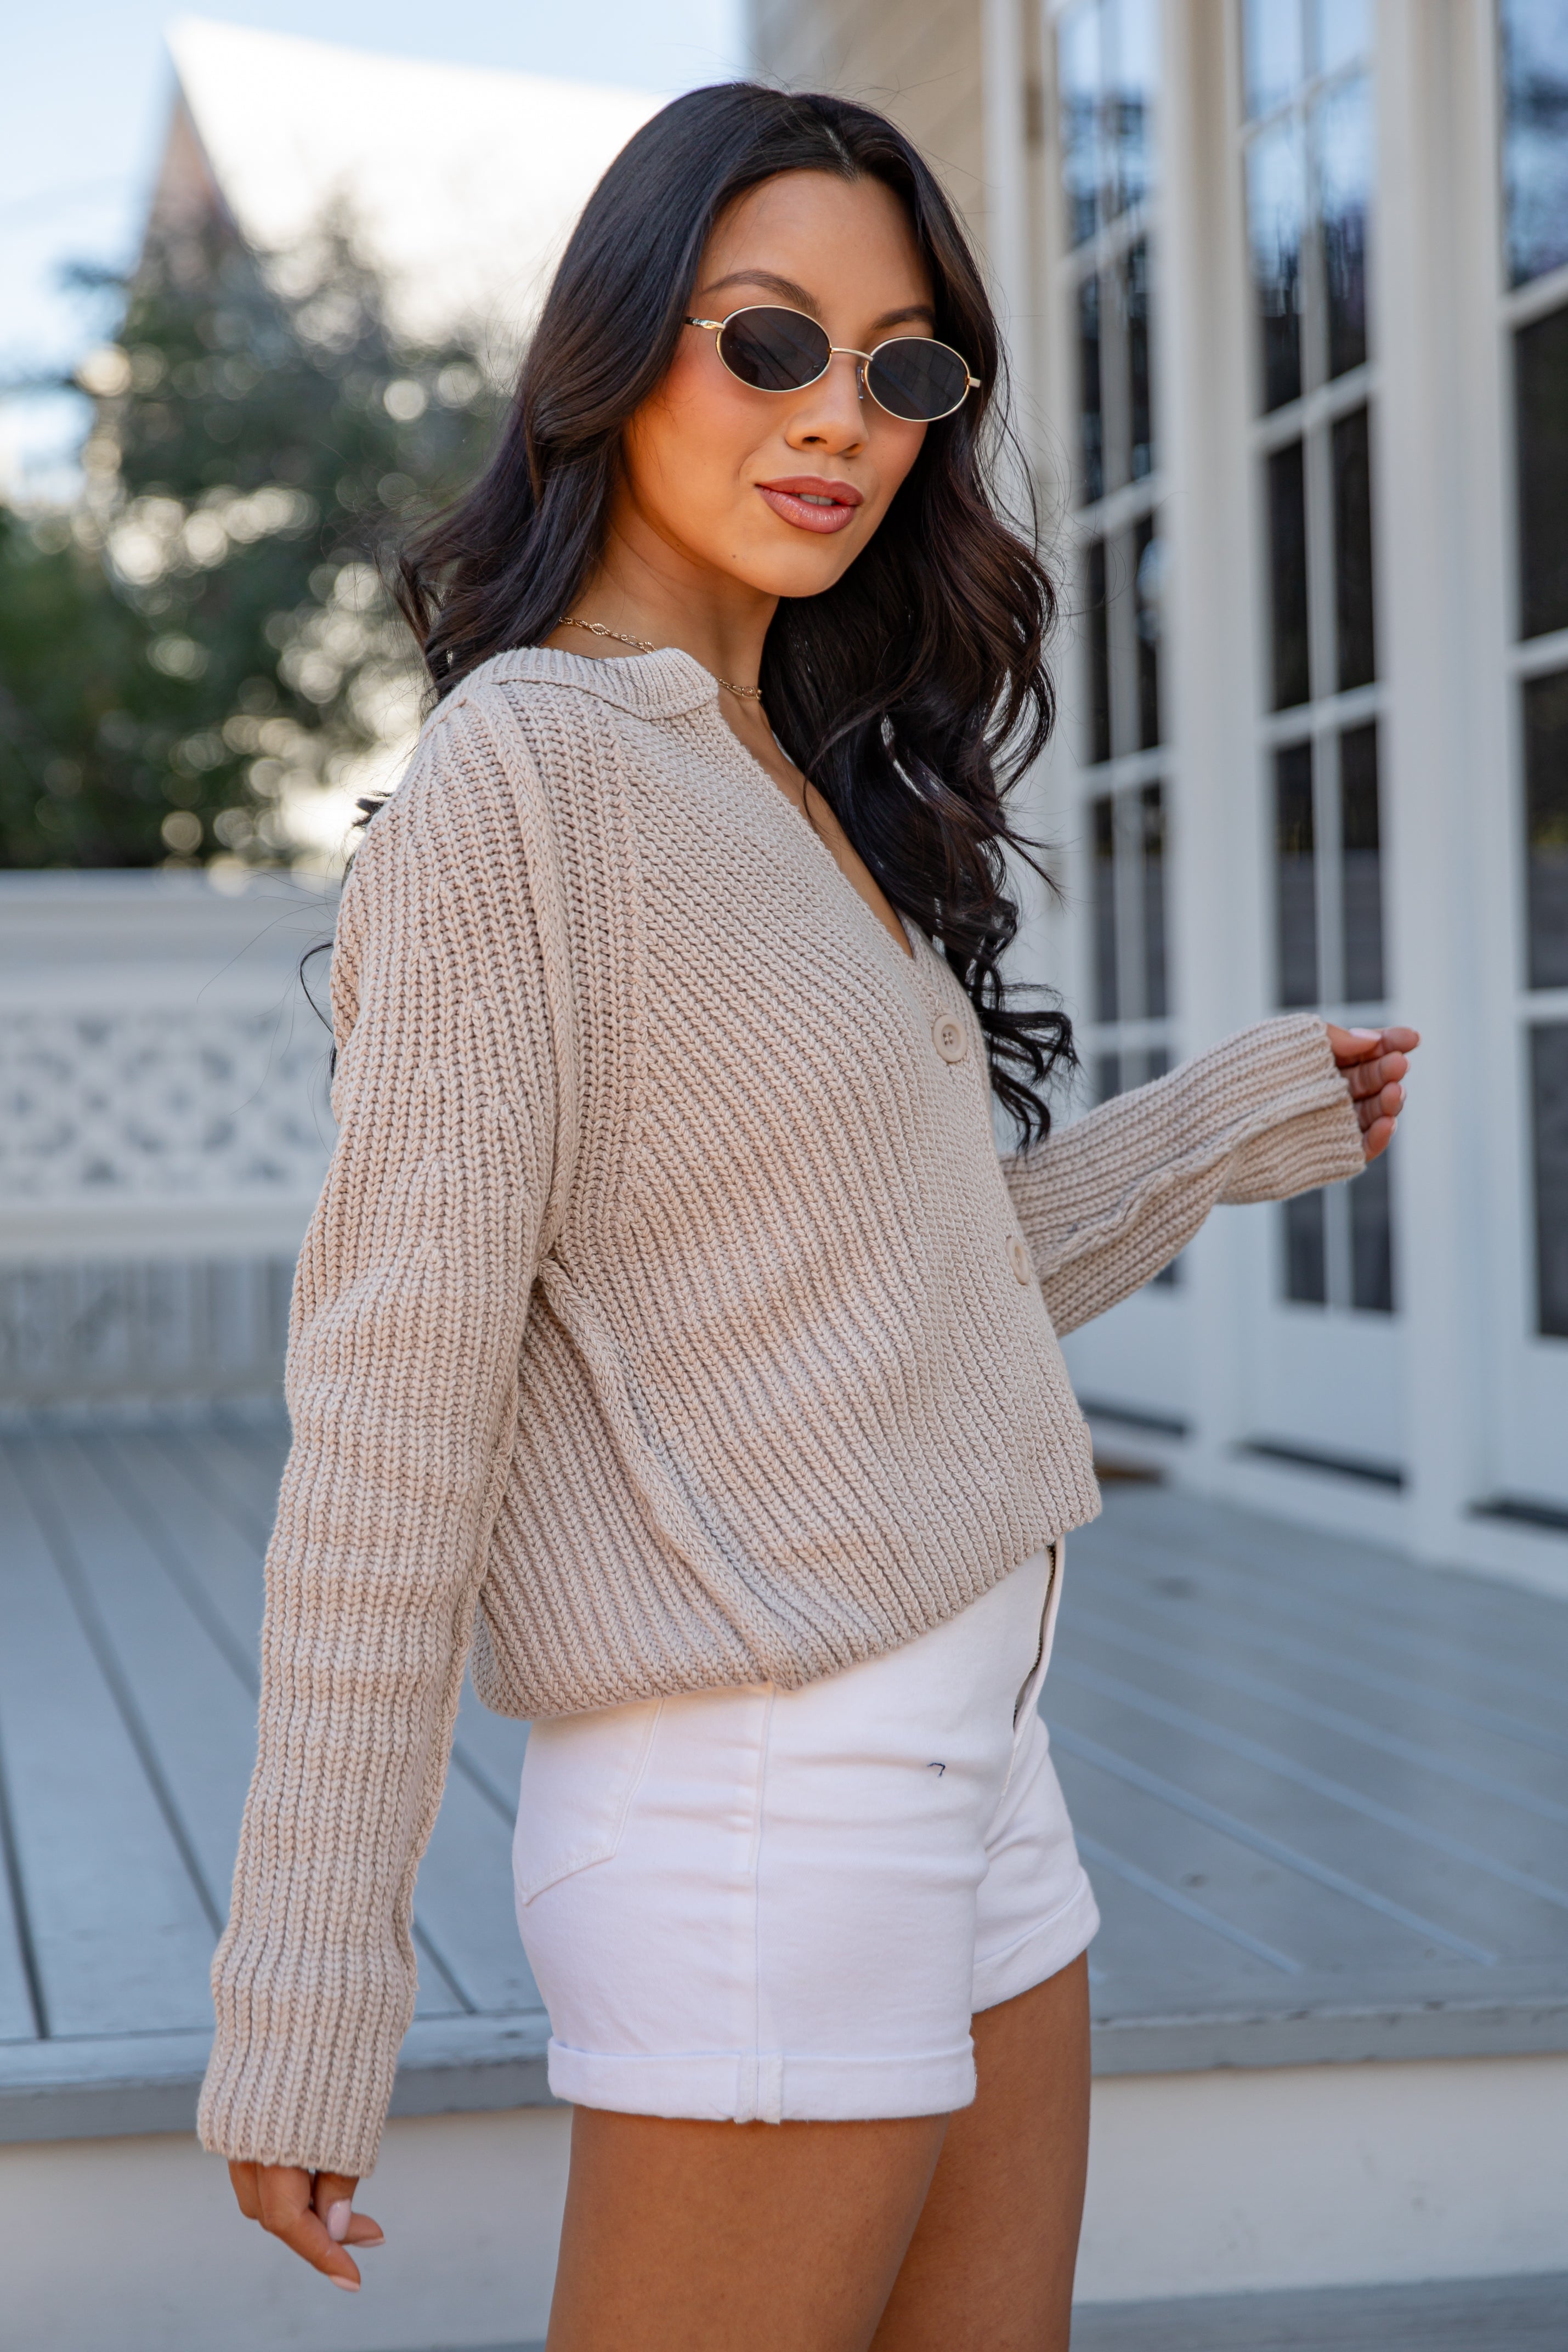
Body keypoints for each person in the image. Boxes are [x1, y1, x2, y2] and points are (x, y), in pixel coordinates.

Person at [200, 84, 1417, 2351]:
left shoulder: (779, 774)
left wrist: (1211, 1134)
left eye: (901, 366)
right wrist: (305, 1971)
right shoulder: (526, 780)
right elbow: (393, 1410)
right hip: (765, 1794)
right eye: (767, 341)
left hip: (975, 1755)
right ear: (612, 350)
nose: (838, 416)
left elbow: (869, 1304)